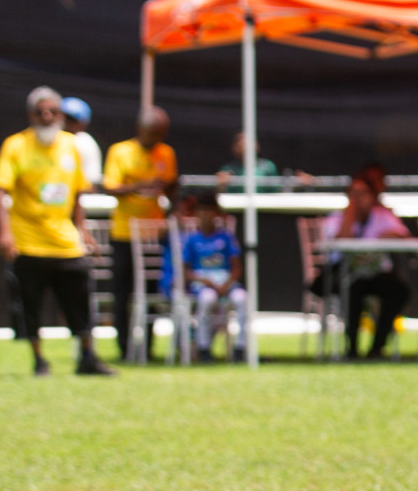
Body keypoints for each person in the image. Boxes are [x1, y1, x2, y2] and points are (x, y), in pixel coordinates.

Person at [0, 87, 115, 376]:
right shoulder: (16, 145)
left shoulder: (72, 145)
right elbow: (0, 190)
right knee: (31, 303)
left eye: (53, 111)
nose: (47, 116)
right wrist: (4, 232)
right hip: (29, 241)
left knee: (80, 299)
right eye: (40, 111)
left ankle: (87, 357)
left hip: (65, 241)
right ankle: (39, 360)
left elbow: (78, 194)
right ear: (30, 115)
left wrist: (82, 230)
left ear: (61, 115)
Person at [101, 106, 178, 360]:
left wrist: (169, 196)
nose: (156, 139)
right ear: (140, 130)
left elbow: (171, 189)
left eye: (160, 134)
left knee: (152, 292)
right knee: (122, 292)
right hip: (124, 233)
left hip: (154, 233)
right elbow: (110, 188)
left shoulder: (166, 153)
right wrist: (139, 186)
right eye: (152, 133)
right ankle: (124, 347)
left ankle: (148, 347)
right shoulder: (120, 151)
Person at [313, 173, 411, 359]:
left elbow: (405, 236)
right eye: (353, 194)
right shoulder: (335, 219)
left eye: (362, 194)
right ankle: (352, 348)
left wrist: (390, 236)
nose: (358, 199)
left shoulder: (383, 216)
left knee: (398, 290)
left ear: (373, 197)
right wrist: (350, 214)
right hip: (347, 275)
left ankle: (377, 347)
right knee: (352, 290)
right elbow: (341, 241)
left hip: (377, 275)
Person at [179, 193, 248, 362]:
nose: (205, 216)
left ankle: (241, 348)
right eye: (201, 212)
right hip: (203, 285)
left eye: (209, 212)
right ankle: (204, 348)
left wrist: (226, 284)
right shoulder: (191, 239)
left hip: (225, 283)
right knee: (207, 300)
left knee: (242, 299)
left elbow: (237, 267)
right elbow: (184, 271)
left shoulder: (226, 237)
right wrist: (204, 281)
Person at [214, 131, 313, 193]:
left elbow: (278, 191)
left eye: (249, 141)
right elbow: (219, 195)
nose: (245, 145)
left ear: (257, 145)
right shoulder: (228, 169)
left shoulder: (267, 166)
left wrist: (297, 183)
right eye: (240, 142)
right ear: (234, 148)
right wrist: (220, 185)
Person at [60, 97, 101, 188]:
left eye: (70, 119)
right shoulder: (50, 139)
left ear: (83, 123)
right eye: (61, 117)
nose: (64, 122)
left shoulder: (84, 142)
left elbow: (92, 182)